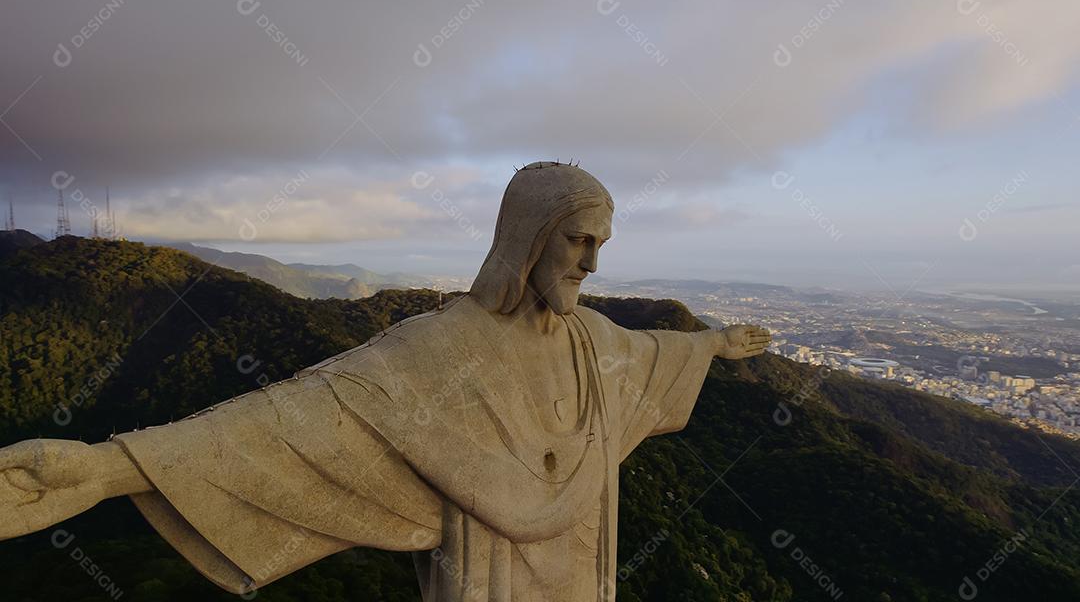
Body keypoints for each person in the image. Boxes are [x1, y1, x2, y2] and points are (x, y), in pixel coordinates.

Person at [0, 161, 770, 601]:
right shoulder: (438, 348)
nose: (592, 263)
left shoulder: (597, 344)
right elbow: (293, 418)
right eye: (577, 240)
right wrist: (105, 468)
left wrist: (714, 344)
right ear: (529, 238)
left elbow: (656, 354)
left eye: (601, 243)